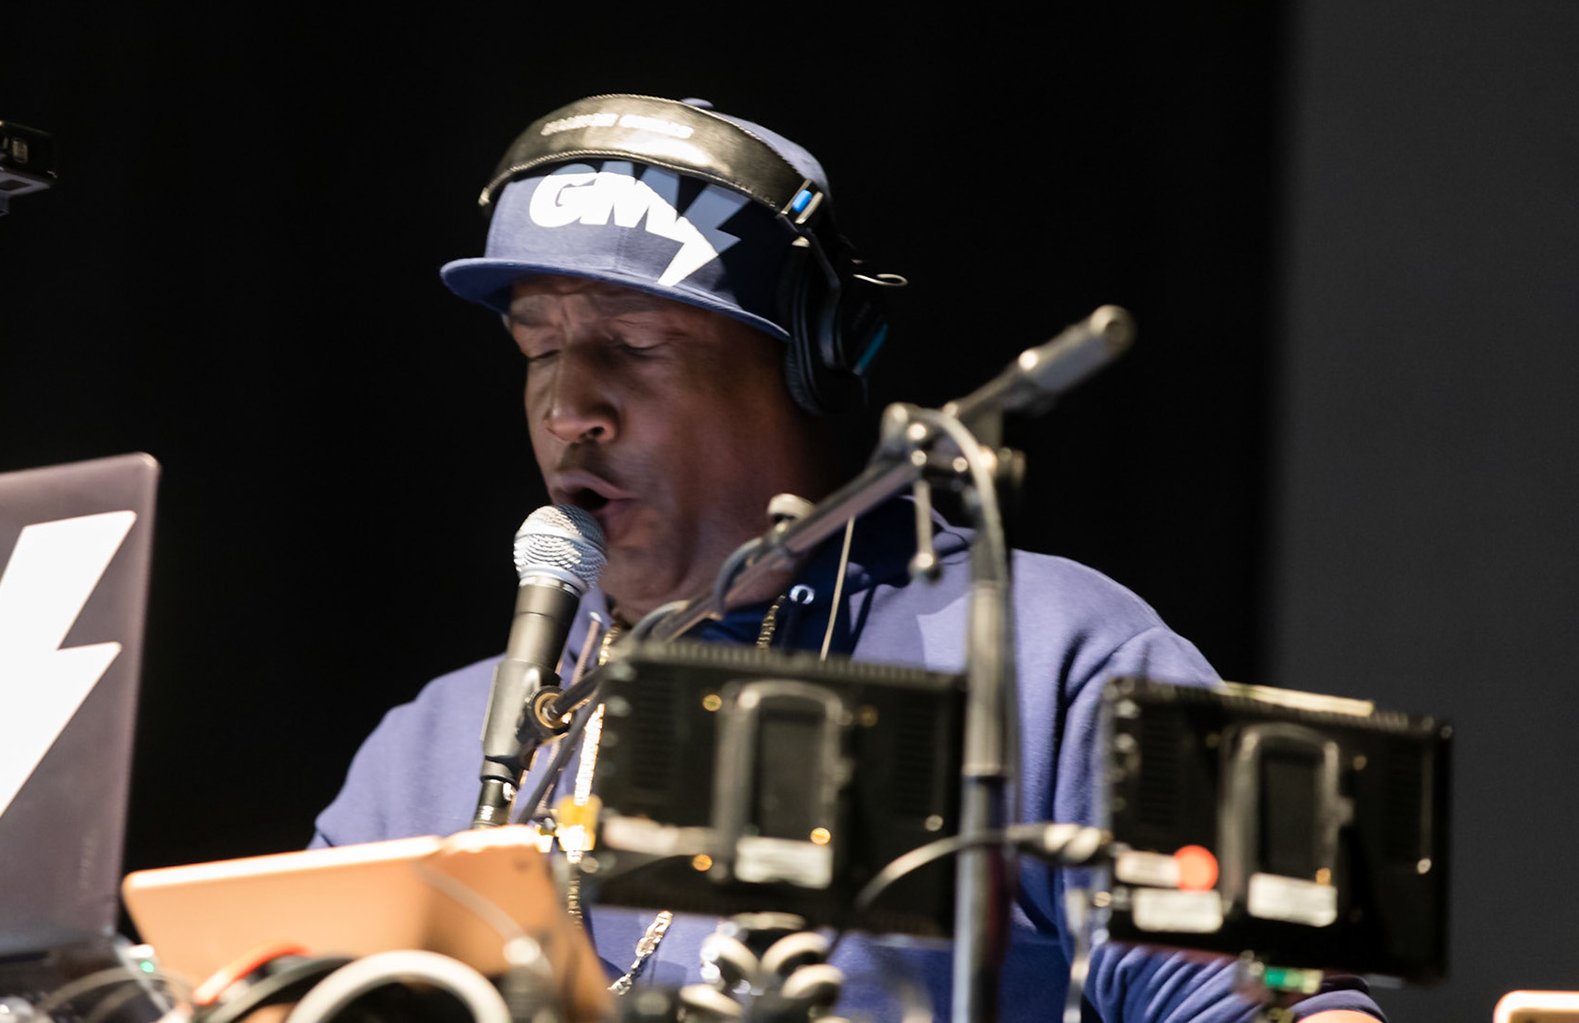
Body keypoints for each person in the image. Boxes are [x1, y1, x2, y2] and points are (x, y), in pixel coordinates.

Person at [309, 94, 1381, 1023]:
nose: (566, 406)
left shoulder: (1057, 648)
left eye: (633, 345)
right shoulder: (436, 742)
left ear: (812, 364)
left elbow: (1290, 998)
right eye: (539, 348)